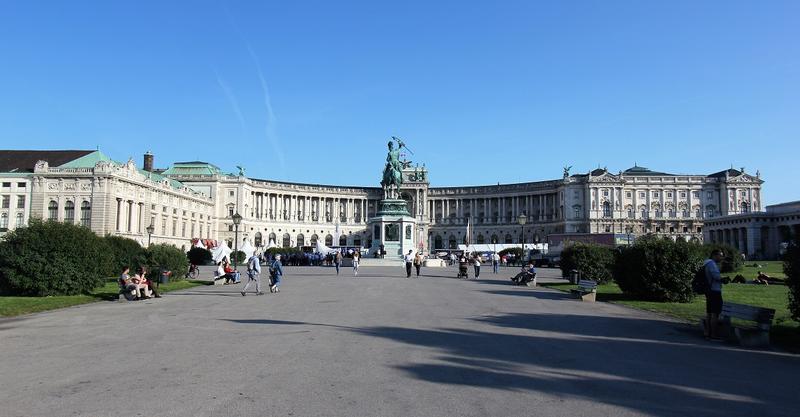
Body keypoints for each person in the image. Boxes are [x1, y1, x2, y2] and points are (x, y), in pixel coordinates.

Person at [703, 249, 725, 340]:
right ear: (714, 255)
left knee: (709, 313)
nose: (721, 258)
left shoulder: (705, 263)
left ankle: (707, 332)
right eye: (720, 255)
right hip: (714, 290)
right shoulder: (711, 264)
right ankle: (713, 334)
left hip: (708, 290)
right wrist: (723, 279)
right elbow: (716, 277)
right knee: (715, 313)